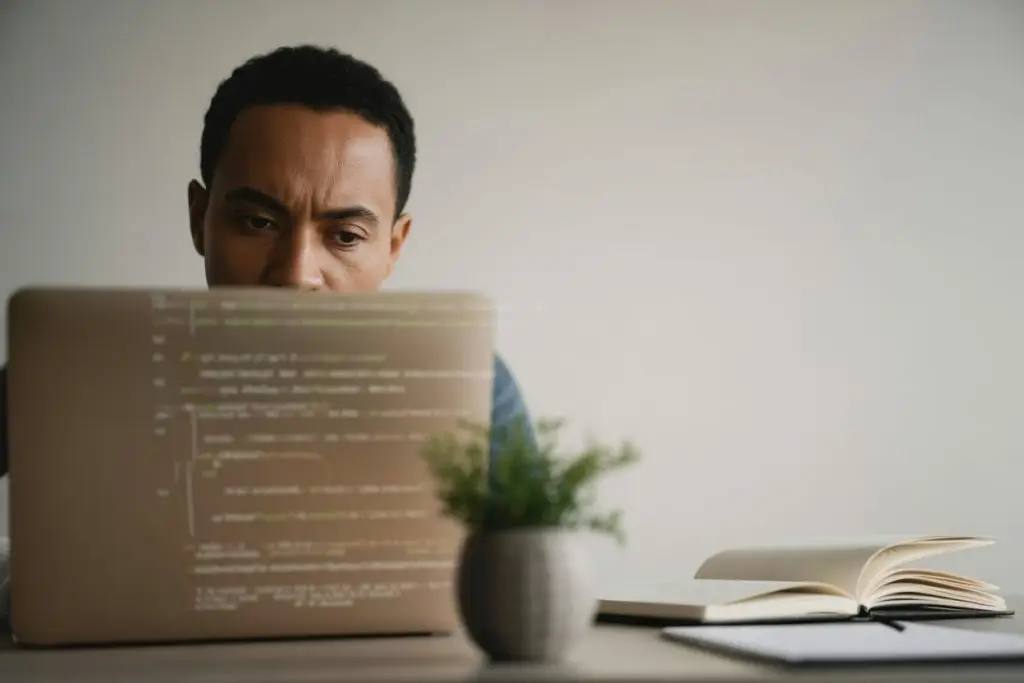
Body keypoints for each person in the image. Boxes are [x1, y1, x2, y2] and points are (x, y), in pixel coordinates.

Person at [0, 45, 535, 478]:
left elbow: (535, 586)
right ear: (199, 218)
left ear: (394, 246)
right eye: (258, 223)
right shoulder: (71, 367)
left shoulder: (469, 384)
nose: (296, 273)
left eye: (345, 236)